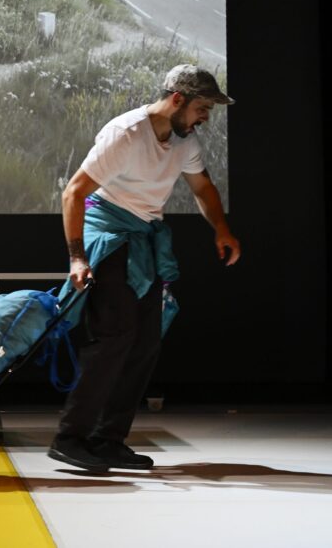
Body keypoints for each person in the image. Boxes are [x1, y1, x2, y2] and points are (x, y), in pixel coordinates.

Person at [48, 64, 241, 473]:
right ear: (178, 100)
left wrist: (222, 229)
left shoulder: (183, 141)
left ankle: (108, 439)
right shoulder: (126, 133)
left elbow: (203, 188)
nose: (206, 116)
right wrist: (77, 257)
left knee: (145, 343)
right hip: (110, 236)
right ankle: (70, 438)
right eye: (203, 107)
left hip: (144, 238)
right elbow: (74, 192)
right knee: (114, 338)